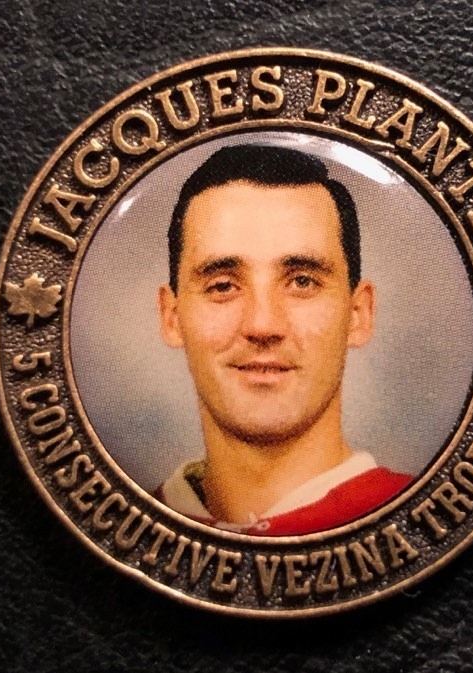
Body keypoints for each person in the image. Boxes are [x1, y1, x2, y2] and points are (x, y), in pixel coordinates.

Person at [155, 144, 413, 535]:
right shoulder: (123, 523)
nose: (263, 325)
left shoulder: (421, 514)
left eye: (302, 282)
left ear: (358, 314)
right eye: (222, 286)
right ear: (172, 318)